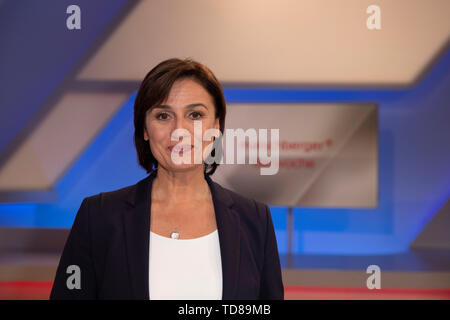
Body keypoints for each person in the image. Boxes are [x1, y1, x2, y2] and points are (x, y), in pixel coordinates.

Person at [50, 58, 284, 300]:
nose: (179, 130)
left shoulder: (255, 220)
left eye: (195, 114)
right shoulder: (98, 216)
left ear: (216, 127)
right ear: (144, 129)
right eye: (163, 116)